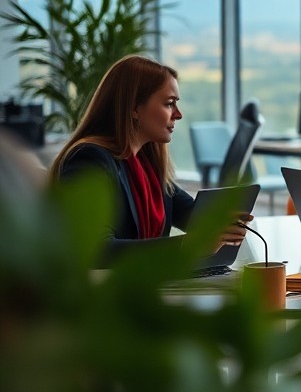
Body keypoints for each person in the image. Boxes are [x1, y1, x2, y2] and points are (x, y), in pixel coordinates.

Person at [49, 54, 249, 259]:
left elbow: (192, 215)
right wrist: (189, 245)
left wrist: (224, 222)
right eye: (169, 103)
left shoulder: (147, 165)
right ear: (135, 108)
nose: (178, 114)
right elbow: (95, 249)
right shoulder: (89, 159)